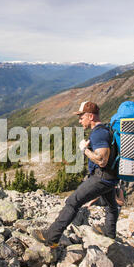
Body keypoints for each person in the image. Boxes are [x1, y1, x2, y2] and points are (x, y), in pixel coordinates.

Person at [32, 101, 120, 248]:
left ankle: (51, 238)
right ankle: (110, 237)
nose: (79, 120)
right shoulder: (104, 130)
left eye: (81, 117)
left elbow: (102, 160)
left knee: (73, 202)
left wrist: (83, 150)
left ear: (90, 116)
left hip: (101, 178)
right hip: (110, 178)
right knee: (112, 206)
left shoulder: (99, 133)